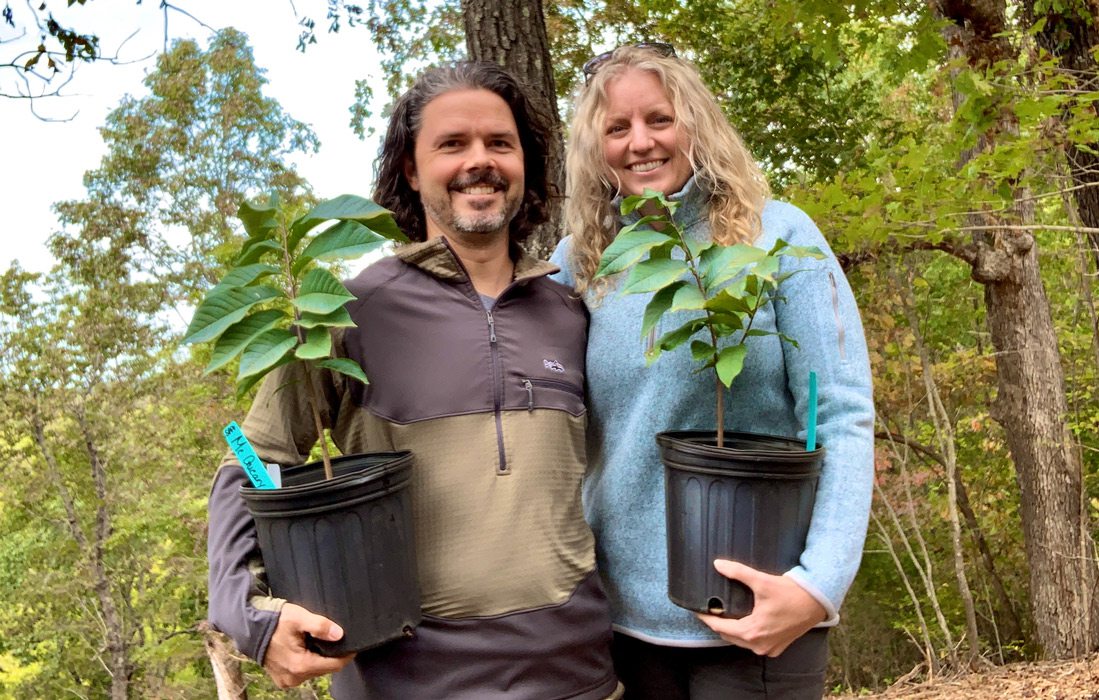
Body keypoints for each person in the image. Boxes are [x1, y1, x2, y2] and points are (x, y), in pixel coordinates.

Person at [206, 61, 619, 700]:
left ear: (526, 164)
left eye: (499, 144)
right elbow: (252, 459)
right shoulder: (343, 313)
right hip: (407, 682)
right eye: (452, 144)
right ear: (409, 167)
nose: (479, 161)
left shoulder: (572, 311)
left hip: (578, 677)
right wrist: (251, 615)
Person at [550, 44, 874, 699]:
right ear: (595, 147)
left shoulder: (777, 236)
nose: (639, 142)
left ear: (695, 123)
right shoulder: (579, 263)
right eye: (616, 128)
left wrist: (817, 585)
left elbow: (843, 410)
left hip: (760, 617)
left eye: (659, 119)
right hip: (619, 627)